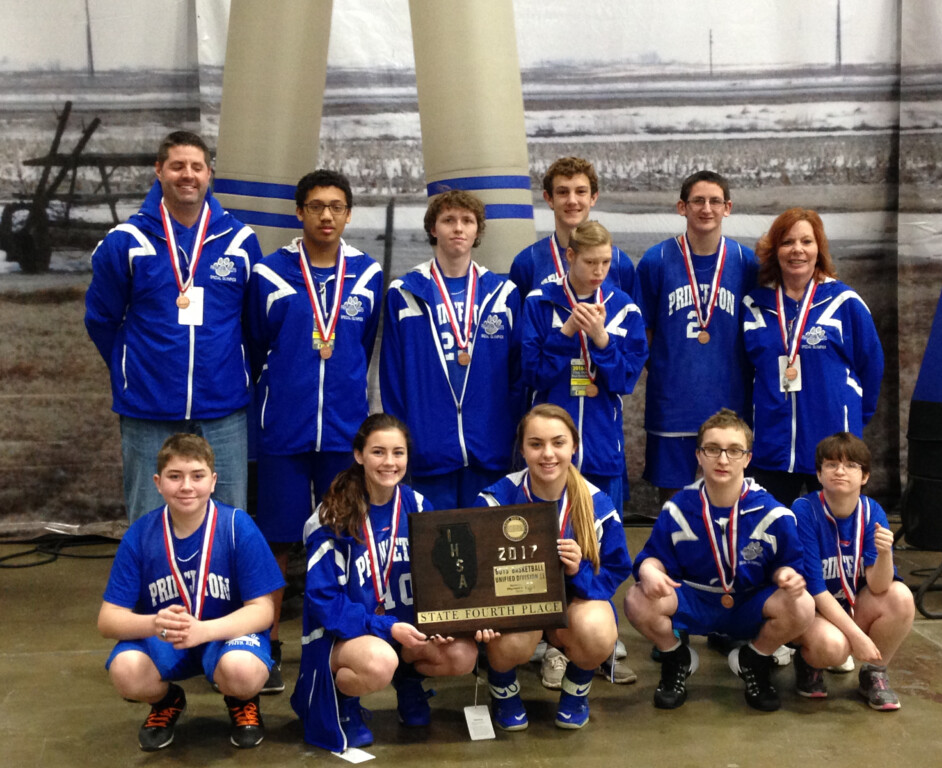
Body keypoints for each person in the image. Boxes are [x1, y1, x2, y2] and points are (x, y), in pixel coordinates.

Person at [246, 169, 383, 693]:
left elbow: (361, 345)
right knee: (278, 541)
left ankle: (338, 639)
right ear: (298, 212)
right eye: (316, 206)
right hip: (283, 429)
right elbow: (257, 346)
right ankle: (268, 644)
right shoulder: (269, 273)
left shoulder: (367, 275)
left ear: (348, 214)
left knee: (345, 537)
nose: (327, 215)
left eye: (337, 206)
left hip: (344, 433)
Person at [85, 131, 262, 523]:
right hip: (148, 405)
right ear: (159, 171)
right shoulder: (127, 241)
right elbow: (101, 319)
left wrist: (233, 369)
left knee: (228, 518)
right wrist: (132, 367)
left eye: (196, 167)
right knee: (148, 517)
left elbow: (253, 325)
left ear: (209, 174)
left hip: (223, 406)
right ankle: (153, 587)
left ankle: (220, 586)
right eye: (178, 165)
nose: (188, 175)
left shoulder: (239, 241)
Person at [291, 414, 477, 752]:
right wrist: (384, 627)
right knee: (380, 661)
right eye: (378, 452)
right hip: (344, 636)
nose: (389, 462)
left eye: (398, 452)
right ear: (359, 455)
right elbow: (324, 604)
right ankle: (343, 697)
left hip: (402, 633)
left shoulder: (418, 506)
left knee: (463, 653)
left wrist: (452, 619)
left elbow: (440, 580)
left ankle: (409, 684)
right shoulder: (330, 517)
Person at [97, 434, 284, 751]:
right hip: (167, 638)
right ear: (157, 482)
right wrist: (154, 624)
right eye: (175, 476)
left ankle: (241, 700)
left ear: (213, 481)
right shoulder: (141, 534)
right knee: (125, 670)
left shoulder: (237, 526)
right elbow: (108, 620)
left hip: (224, 636)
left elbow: (263, 611)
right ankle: (166, 701)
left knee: (242, 670)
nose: (186, 486)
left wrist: (204, 630)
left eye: (197, 476)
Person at [624, 409, 814, 712]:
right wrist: (648, 569)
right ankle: (676, 657)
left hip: (749, 603)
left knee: (803, 604)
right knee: (637, 598)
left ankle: (755, 658)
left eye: (734, 451)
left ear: (748, 458)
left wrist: (787, 575)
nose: (723, 460)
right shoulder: (678, 508)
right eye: (713, 449)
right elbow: (654, 557)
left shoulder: (773, 513)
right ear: (699, 455)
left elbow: (791, 562)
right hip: (697, 599)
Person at [474, 404, 632, 730]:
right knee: (512, 636)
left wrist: (579, 570)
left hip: (572, 608)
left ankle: (576, 690)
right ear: (522, 448)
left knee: (598, 629)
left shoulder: (596, 504)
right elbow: (475, 569)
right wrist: (482, 612)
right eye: (536, 444)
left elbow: (616, 569)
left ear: (574, 446)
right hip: (518, 607)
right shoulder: (496, 500)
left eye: (558, 443)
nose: (548, 454)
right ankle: (503, 691)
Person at [380, 189, 523, 510]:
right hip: (429, 448)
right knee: (438, 550)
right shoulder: (404, 294)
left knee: (486, 547)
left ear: (477, 231)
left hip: (489, 449)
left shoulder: (504, 294)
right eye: (448, 220)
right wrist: (405, 440)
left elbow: (518, 375)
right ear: (433, 228)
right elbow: (392, 378)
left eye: (467, 221)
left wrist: (505, 431)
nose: (458, 228)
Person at [742, 207, 884, 506]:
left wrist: (853, 415)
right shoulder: (754, 304)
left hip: (833, 448)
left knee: (834, 535)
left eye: (807, 242)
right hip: (772, 445)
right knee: (771, 535)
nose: (797, 250)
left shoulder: (845, 303)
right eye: (787, 242)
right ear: (774, 249)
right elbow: (744, 371)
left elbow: (871, 367)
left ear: (819, 248)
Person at [636, 170, 760, 504]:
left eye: (715, 201)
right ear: (682, 207)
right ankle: (675, 555)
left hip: (729, 398)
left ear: (728, 207)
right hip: (673, 401)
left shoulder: (745, 262)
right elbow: (644, 331)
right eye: (698, 201)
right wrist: (667, 369)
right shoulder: (656, 260)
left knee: (728, 493)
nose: (707, 208)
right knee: (673, 500)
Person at [521, 220, 647, 514]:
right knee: (551, 542)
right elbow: (533, 375)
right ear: (570, 256)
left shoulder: (624, 307)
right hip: (549, 454)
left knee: (602, 540)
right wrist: (565, 334)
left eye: (605, 262)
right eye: (590, 262)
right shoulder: (539, 302)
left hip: (602, 447)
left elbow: (625, 381)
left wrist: (602, 341)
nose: (599, 271)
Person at [791, 432, 914, 710]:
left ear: (865, 476)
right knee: (834, 649)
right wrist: (857, 637)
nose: (840, 471)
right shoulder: (804, 511)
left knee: (902, 597)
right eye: (831, 464)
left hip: (850, 605)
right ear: (819, 475)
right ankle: (809, 661)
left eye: (850, 465)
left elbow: (879, 587)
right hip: (814, 609)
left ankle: (874, 673)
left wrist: (884, 555)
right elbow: (815, 589)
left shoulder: (873, 512)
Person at [509, 156, 636, 302]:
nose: (572, 201)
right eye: (563, 192)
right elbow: (519, 322)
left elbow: (631, 320)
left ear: (593, 197)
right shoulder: (527, 262)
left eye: (581, 191)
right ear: (549, 198)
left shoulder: (619, 262)